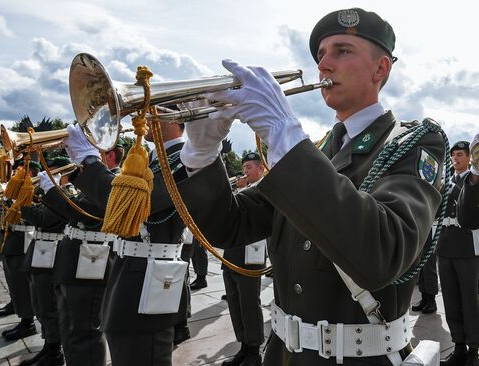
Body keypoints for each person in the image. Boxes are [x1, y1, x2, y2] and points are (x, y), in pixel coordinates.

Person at [178, 7, 445, 365]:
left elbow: (382, 254)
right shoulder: (316, 152)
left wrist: (285, 136)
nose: (324, 65)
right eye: (321, 55)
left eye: (342, 50)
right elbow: (229, 225)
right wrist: (201, 153)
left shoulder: (413, 143)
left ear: (381, 69)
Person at [62, 117, 189, 366]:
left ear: (174, 118)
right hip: (130, 266)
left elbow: (133, 201)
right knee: (124, 345)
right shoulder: (156, 157)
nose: (140, 118)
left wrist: (89, 160)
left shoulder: (184, 157)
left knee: (140, 353)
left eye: (153, 111)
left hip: (149, 273)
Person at [40, 150, 120, 366]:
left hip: (90, 260)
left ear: (109, 155)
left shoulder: (116, 182)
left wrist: (53, 189)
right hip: (74, 257)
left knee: (84, 331)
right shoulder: (92, 182)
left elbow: (82, 212)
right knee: (70, 327)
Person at [18, 157, 72, 366]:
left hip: (52, 254)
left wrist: (20, 202)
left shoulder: (65, 194)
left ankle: (54, 351)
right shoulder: (50, 194)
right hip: (41, 251)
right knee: (39, 303)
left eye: (51, 171)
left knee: (48, 304)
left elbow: (43, 218)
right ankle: (48, 345)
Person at [221, 152, 266, 366]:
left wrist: (237, 190)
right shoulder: (242, 189)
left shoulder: (265, 189)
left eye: (249, 167)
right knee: (234, 302)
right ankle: (244, 345)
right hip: (232, 253)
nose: (244, 171)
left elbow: (247, 213)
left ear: (261, 168)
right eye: (244, 167)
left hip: (250, 256)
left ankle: (254, 350)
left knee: (248, 303)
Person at [437, 141, 479, 366]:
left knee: (470, 301)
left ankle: (473, 350)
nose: (455, 158)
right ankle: (459, 347)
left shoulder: (474, 179)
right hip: (444, 246)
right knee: (451, 300)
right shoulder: (444, 181)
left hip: (467, 247)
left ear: (469, 157)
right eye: (452, 155)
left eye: (460, 154)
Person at [0, 160, 41, 341]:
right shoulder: (20, 188)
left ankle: (28, 322)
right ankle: (17, 306)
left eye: (20, 170)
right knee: (13, 278)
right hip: (13, 237)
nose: (16, 172)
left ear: (30, 172)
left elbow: (34, 216)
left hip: (25, 238)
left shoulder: (37, 189)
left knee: (22, 281)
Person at [410, 231, 438, 314]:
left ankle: (431, 300)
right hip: (421, 229)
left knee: (429, 267)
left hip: (431, 229)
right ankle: (424, 298)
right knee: (420, 267)